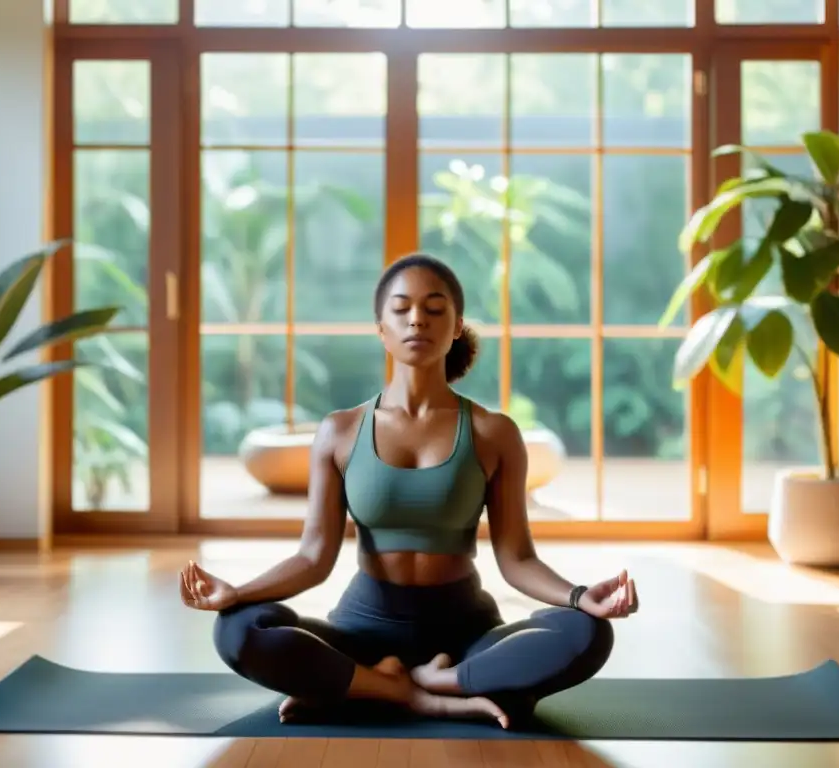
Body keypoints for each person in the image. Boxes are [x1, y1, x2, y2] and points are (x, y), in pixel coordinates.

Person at [179, 253, 639, 729]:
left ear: (457, 325)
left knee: (587, 633)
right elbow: (313, 557)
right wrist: (236, 593)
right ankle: (412, 691)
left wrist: (580, 596)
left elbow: (517, 559)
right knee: (239, 630)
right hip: (362, 634)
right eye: (401, 308)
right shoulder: (340, 432)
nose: (417, 318)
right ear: (381, 328)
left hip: (465, 637)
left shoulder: (493, 433)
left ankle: (393, 686)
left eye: (434, 308)